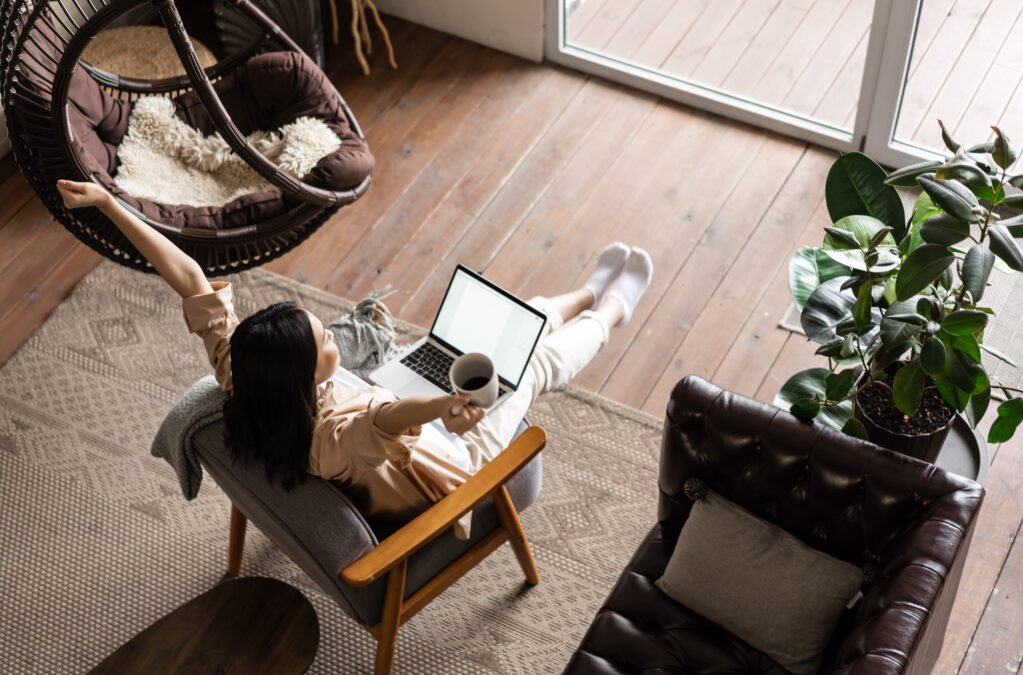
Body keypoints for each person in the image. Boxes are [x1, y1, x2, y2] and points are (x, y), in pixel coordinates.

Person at [56, 179, 653, 536]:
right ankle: (610, 311)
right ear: (299, 380)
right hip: (450, 462)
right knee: (531, 366)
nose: (335, 339)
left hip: (390, 397)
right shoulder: (330, 443)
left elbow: (189, 277)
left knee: (492, 330)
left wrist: (110, 203)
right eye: (325, 344)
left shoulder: (246, 375)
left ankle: (582, 294)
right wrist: (447, 404)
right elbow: (385, 421)